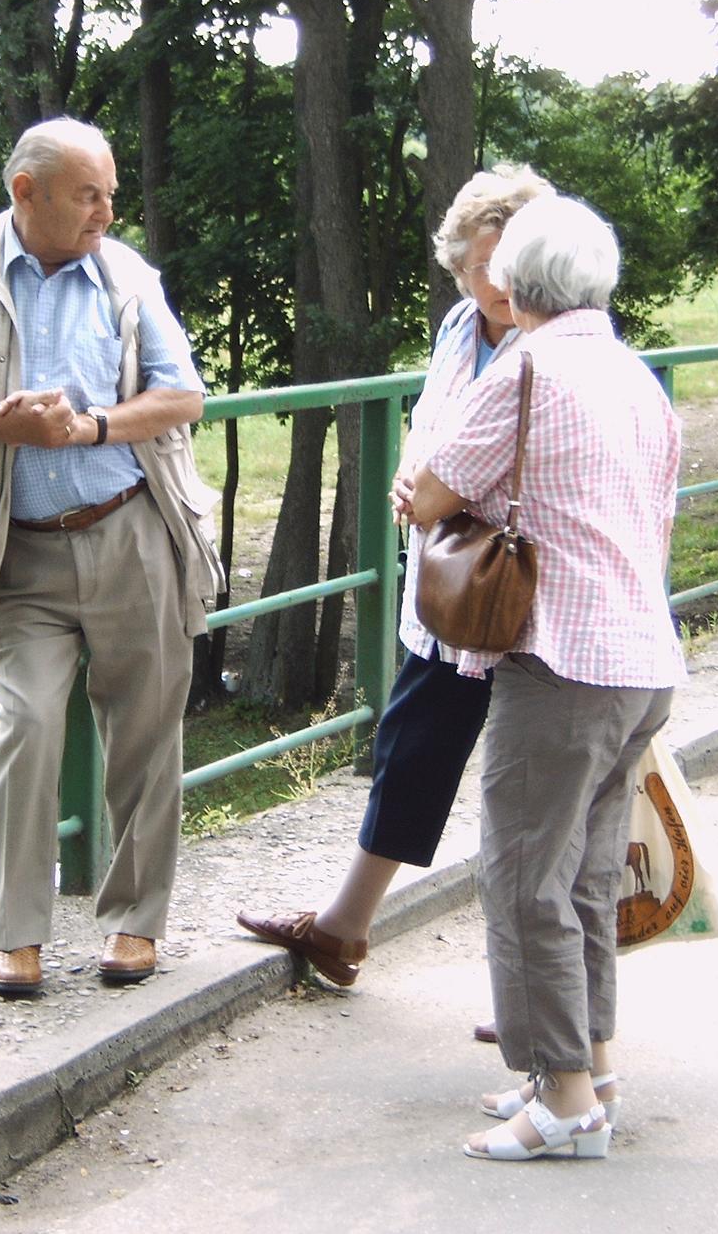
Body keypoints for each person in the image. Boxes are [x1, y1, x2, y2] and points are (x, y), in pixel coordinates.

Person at [0, 117, 222, 997]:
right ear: (25, 192)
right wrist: (2, 426)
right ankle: (16, 935)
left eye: (110, 193)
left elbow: (183, 394)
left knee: (145, 729)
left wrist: (91, 426)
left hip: (132, 531)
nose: (106, 211)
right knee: (27, 725)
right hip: (17, 550)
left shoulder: (128, 273)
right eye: (88, 194)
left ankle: (135, 922)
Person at [407, 194, 686, 1162]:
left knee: (523, 873)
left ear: (512, 280)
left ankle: (562, 1099)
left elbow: (430, 493)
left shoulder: (524, 369)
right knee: (585, 876)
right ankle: (589, 1071)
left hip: (558, 660)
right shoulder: (633, 373)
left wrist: (420, 491)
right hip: (638, 656)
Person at [235, 165, 553, 986]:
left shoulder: (556, 339)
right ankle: (342, 927)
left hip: (530, 588)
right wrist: (413, 476)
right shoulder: (458, 326)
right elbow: (434, 422)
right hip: (456, 579)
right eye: (477, 266)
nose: (493, 283)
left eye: (505, 264)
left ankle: (545, 1003)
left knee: (534, 793)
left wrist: (438, 487)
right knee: (411, 742)